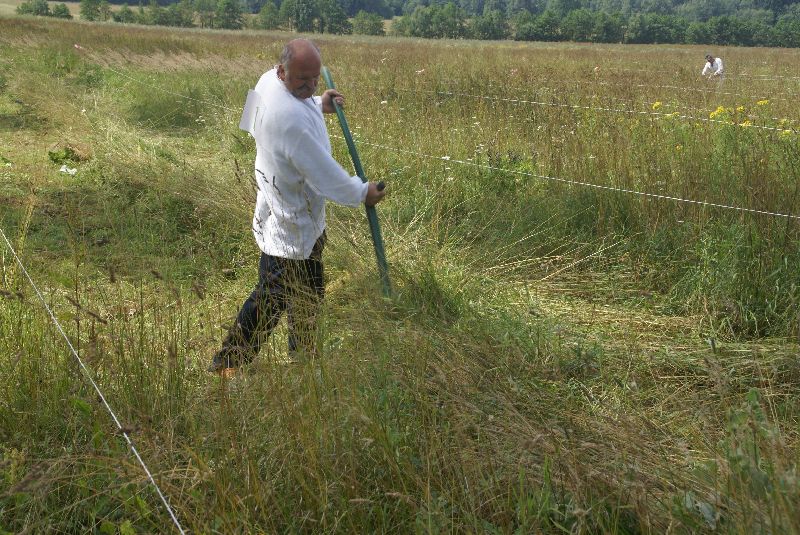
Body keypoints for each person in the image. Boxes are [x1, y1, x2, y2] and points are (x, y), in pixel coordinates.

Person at [208, 39, 386, 374]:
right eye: (303, 80)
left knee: (309, 292)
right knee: (271, 296)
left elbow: (251, 121)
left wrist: (318, 104)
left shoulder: (267, 81)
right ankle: (228, 363)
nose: (310, 85)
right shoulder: (289, 121)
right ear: (282, 71)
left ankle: (304, 358)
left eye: (315, 78)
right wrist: (362, 192)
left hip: (283, 198)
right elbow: (323, 174)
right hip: (291, 218)